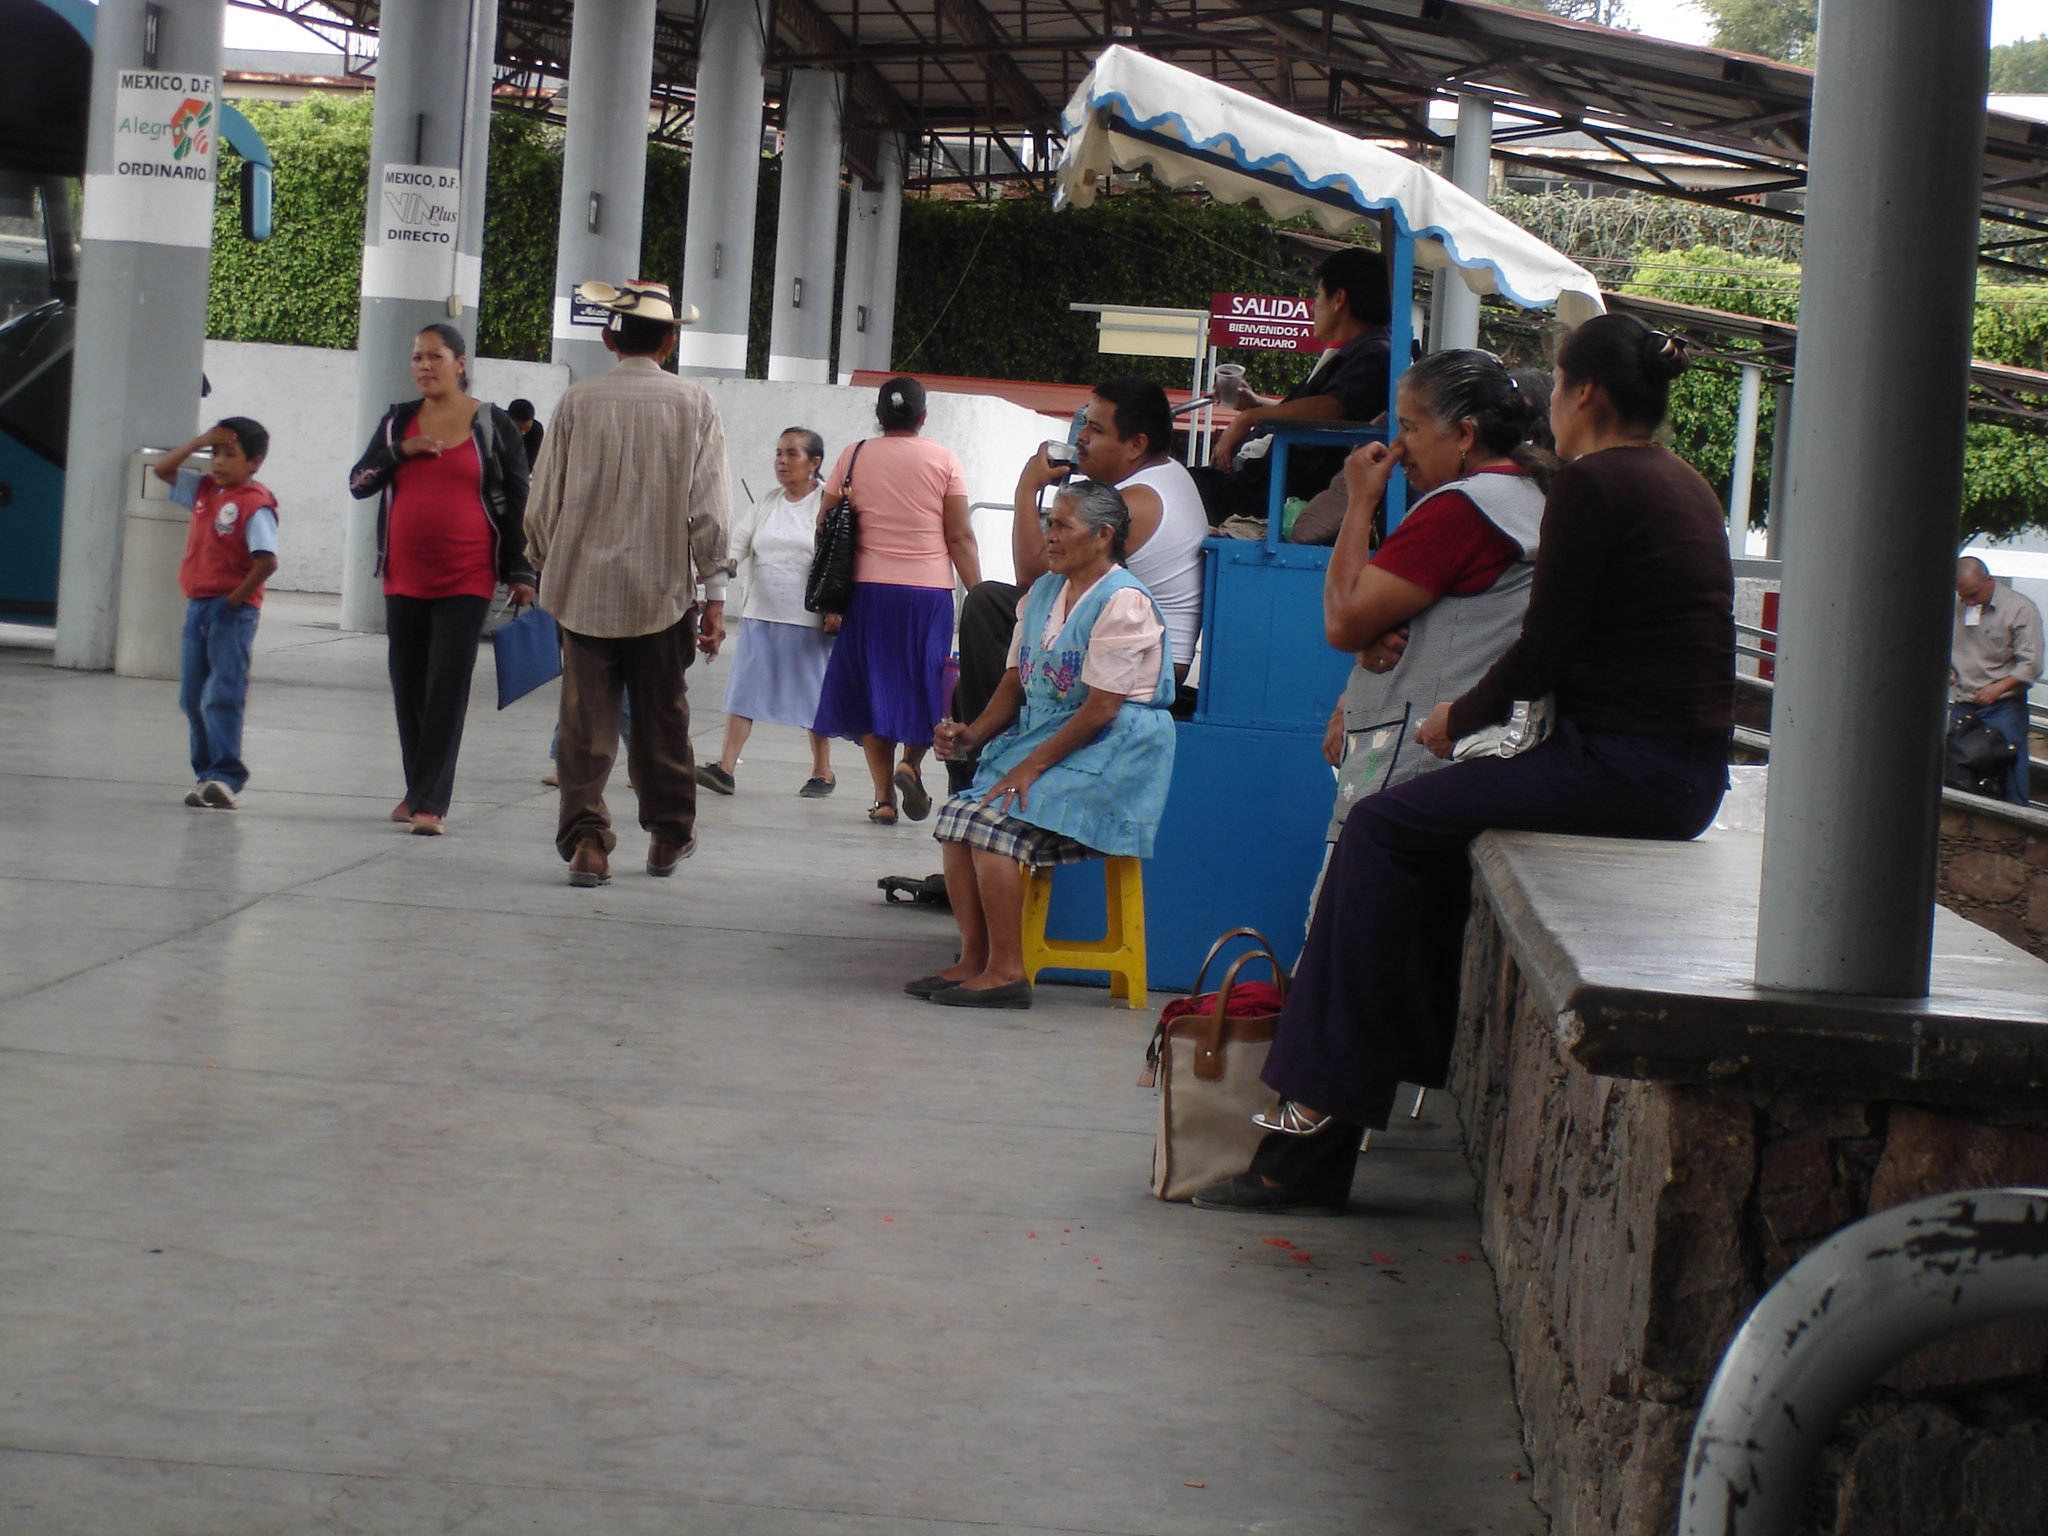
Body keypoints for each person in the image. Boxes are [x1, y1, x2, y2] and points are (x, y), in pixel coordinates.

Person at [1193, 314, 1734, 1215]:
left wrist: (1458, 718)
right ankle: (1383, 1070)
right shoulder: (1680, 484)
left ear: (1584, 392)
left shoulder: (1596, 485)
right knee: (1427, 843)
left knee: (1381, 828)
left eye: (1558, 384)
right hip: (1672, 770)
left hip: (1622, 766)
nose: (1548, 403)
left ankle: (1312, 1126)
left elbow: (1546, 646)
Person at [912, 481, 1176, 1009]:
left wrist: (1028, 768)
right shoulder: (1042, 595)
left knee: (990, 823)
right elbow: (1016, 681)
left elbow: (1102, 707)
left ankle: (1008, 971)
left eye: (1061, 525)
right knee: (958, 818)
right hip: (1058, 739)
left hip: (1113, 751)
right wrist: (973, 733)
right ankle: (975, 958)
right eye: (1049, 522)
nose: (1049, 537)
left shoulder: (1123, 601)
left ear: (1103, 536)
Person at [524, 279, 733, 888]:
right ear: (670, 341)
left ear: (609, 337)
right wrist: (714, 594)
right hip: (660, 595)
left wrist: (544, 563)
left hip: (581, 591)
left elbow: (542, 506)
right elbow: (711, 511)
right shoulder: (694, 404)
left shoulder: (576, 402)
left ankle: (588, 842)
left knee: (585, 724)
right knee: (662, 718)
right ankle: (668, 836)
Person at [1318, 350, 1553, 835]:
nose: (1398, 449)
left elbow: (1342, 621)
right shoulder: (1533, 494)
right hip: (1472, 762)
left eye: (1411, 428)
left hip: (1414, 764)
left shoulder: (1462, 508)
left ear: (1465, 434)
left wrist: (1360, 496)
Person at [348, 323, 536, 836]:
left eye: (434, 356)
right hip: (403, 574)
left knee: (446, 686)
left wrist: (522, 570)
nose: (423, 366)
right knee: (407, 684)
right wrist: (398, 454)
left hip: (468, 574)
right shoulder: (397, 423)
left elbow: (520, 500)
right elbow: (358, 483)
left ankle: (432, 802)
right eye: (416, 358)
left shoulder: (491, 424)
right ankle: (416, 788)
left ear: (460, 363)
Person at [811, 375, 981, 825]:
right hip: (927, 594)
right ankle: (912, 764)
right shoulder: (945, 459)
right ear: (923, 418)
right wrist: (980, 594)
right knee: (926, 683)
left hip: (867, 592)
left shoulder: (854, 454)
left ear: (879, 415)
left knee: (872, 688)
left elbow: (825, 525)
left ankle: (884, 798)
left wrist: (832, 598)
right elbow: (959, 535)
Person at [1189, 247, 1392, 528]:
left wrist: (1250, 417)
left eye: (1318, 295)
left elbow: (1333, 408)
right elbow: (1311, 411)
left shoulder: (1374, 354)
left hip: (1277, 494)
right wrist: (1255, 404)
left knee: (1173, 489)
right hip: (1267, 481)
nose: (1312, 306)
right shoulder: (1354, 352)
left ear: (1339, 298)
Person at [696, 428, 838, 799]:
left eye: (792, 454)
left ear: (815, 462)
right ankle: (725, 768)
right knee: (744, 690)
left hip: (808, 618)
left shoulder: (828, 504)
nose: (781, 461)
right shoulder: (767, 503)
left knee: (814, 696)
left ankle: (823, 771)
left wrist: (839, 608)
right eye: (778, 453)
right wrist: (719, 568)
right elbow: (740, 543)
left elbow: (839, 558)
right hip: (761, 612)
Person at [155, 417, 279, 811]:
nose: (219, 462)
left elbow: (266, 561)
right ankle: (206, 774)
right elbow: (163, 469)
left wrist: (234, 600)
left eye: (230, 454)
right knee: (193, 696)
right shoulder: (204, 491)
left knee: (222, 694)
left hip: (231, 611)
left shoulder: (255, 504)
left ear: (254, 461)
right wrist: (198, 442)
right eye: (216, 453)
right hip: (198, 607)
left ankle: (226, 776)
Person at [1951, 556, 2041, 806]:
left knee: (2011, 774)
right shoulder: (1958, 607)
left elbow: (2031, 665)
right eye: (1964, 596)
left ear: (1989, 581)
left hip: (2003, 705)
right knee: (1958, 773)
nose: (1969, 601)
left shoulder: (2020, 609)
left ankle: (2015, 835)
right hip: (1965, 701)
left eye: (1974, 594)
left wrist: (1999, 688)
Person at [507, 398, 544, 470]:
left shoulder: (536, 430)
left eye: (527, 429)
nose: (522, 433)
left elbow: (529, 465)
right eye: (518, 429)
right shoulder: (498, 425)